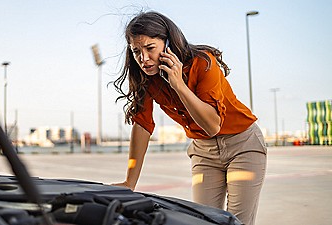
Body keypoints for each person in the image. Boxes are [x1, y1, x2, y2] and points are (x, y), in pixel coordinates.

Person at [112, 11, 267, 225]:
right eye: (136, 51)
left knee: (237, 221)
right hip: (204, 152)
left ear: (168, 45)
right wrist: (130, 181)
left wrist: (178, 85)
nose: (144, 59)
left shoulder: (202, 63)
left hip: (242, 144)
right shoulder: (145, 78)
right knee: (204, 220)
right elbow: (142, 125)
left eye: (150, 49)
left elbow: (212, 126)